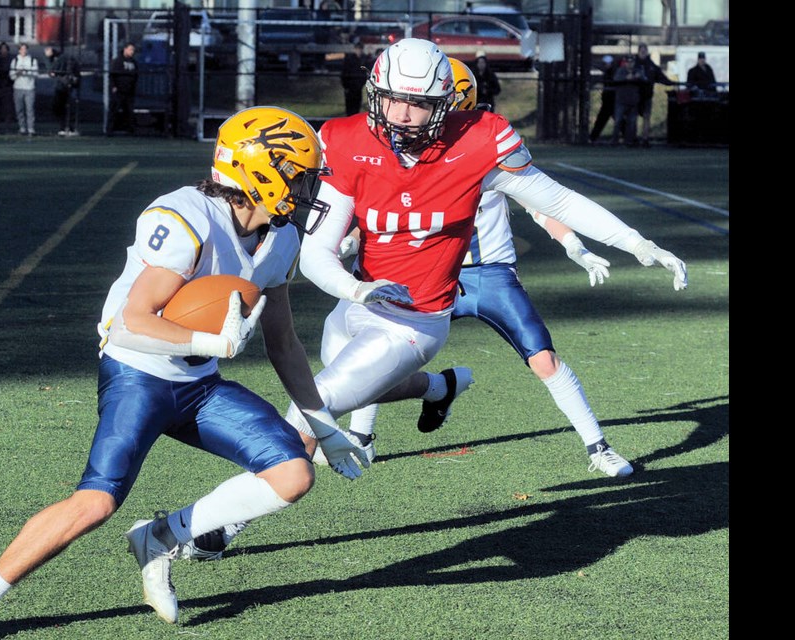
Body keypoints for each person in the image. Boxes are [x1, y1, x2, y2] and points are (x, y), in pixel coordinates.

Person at [180, 40, 687, 561]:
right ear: (375, 93)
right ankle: (443, 387)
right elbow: (316, 254)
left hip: (415, 321)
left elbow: (558, 199)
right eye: (393, 99)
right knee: (344, 396)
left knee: (310, 412)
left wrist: (636, 242)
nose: (402, 113)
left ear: (445, 103)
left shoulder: (480, 139)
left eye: (418, 103)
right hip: (353, 305)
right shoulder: (345, 140)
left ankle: (211, 526)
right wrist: (356, 287)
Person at [0, 106, 371, 639]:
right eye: (300, 176)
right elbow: (127, 324)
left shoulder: (279, 238)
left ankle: (160, 538)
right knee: (95, 502)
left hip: (198, 382)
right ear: (263, 172)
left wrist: (322, 423)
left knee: (293, 472)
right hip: (138, 372)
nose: (308, 191)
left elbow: (282, 340)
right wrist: (208, 340)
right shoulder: (185, 215)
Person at [632, 43, 675, 147]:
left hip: (647, 95)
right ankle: (633, 139)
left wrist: (672, 83)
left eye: (644, 51)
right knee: (633, 118)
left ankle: (645, 139)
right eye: (641, 51)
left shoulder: (651, 65)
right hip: (635, 96)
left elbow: (661, 77)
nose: (643, 53)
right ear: (638, 52)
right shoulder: (633, 64)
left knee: (646, 117)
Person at [45, 46, 80, 135]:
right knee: (62, 107)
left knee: (63, 107)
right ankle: (65, 127)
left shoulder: (62, 59)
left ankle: (69, 128)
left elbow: (52, 70)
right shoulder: (60, 59)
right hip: (63, 86)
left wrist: (48, 58)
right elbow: (52, 73)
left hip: (63, 87)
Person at [107, 42, 139, 136]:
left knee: (129, 111)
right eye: (130, 49)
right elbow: (112, 75)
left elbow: (136, 75)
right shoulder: (118, 61)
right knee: (114, 110)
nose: (132, 52)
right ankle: (110, 130)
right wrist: (113, 86)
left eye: (133, 50)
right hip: (119, 91)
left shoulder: (134, 62)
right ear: (125, 49)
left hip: (129, 91)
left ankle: (130, 130)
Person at [611, 55, 643, 147]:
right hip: (621, 100)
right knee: (618, 121)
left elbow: (644, 79)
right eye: (628, 62)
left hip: (633, 101)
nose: (630, 64)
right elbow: (616, 79)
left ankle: (629, 142)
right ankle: (614, 141)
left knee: (632, 122)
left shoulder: (637, 71)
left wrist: (638, 77)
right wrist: (626, 78)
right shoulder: (621, 71)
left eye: (631, 62)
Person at [9, 43, 38, 136]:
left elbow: (36, 74)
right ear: (19, 50)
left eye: (25, 49)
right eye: (22, 49)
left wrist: (26, 71)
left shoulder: (33, 60)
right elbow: (11, 76)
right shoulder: (15, 60)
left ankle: (31, 128)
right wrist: (18, 73)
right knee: (19, 109)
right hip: (18, 87)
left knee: (30, 109)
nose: (24, 51)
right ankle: (22, 127)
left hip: (29, 88)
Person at [589, 55, 618, 143]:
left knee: (619, 120)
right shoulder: (606, 72)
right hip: (607, 101)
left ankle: (629, 138)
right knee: (601, 120)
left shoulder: (614, 72)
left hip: (614, 101)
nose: (607, 65)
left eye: (608, 63)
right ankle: (593, 138)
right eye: (605, 63)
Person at [340, 40, 370, 115]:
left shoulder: (362, 60)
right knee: (350, 107)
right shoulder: (349, 59)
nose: (359, 51)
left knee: (356, 107)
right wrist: (346, 86)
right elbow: (344, 73)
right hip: (350, 87)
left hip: (357, 87)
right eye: (357, 49)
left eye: (360, 49)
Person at [0, 42, 14, 134]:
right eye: (2, 49)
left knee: (7, 107)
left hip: (8, 85)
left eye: (5, 49)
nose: (4, 50)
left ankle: (7, 127)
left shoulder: (11, 59)